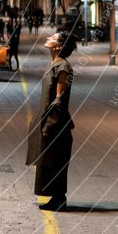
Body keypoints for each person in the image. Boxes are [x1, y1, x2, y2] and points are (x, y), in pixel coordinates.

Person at [26, 30, 77, 211]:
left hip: (56, 123)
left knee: (56, 162)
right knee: (48, 161)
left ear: (59, 46)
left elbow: (59, 99)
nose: (48, 38)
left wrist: (50, 124)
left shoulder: (63, 67)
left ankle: (59, 200)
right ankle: (54, 199)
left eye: (53, 38)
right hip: (47, 120)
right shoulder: (53, 64)